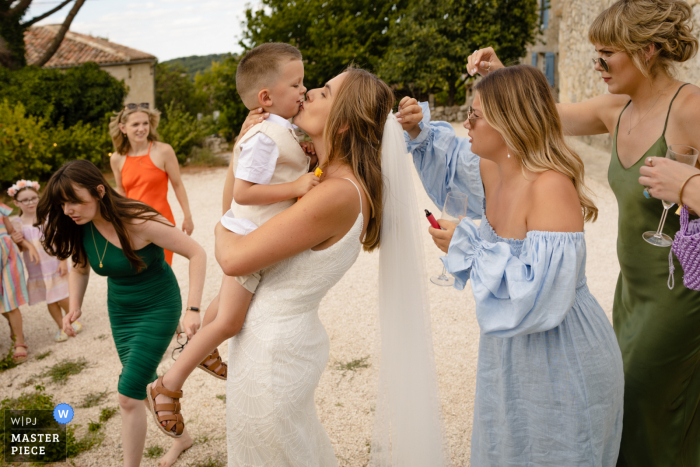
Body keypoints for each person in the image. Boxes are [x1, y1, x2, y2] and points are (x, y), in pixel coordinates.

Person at [469, 1, 700, 464]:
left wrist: (689, 184)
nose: (596, 63)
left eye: (606, 53)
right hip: (630, 292)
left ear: (647, 50)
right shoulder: (615, 111)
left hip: (680, 293)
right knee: (643, 409)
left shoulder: (691, 107)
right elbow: (533, 114)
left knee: (639, 403)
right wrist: (502, 78)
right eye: (594, 52)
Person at [206, 67, 450, 466]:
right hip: (272, 343)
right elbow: (244, 215)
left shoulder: (336, 193)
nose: (309, 94)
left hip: (272, 353)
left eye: (324, 92)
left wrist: (217, 229)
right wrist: (244, 147)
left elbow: (233, 256)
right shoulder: (320, 178)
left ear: (342, 126)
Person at [400, 65, 624, 466]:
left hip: (562, 350)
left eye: (476, 115)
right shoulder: (490, 167)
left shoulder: (550, 186)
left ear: (510, 123)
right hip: (509, 350)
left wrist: (467, 247)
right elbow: (449, 165)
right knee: (509, 444)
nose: (465, 122)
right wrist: (417, 129)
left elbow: (539, 297)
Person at [146, 42, 321, 437]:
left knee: (224, 306)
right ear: (266, 97)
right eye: (296, 84)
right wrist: (297, 184)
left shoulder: (281, 130)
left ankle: (201, 349)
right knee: (229, 319)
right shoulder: (262, 137)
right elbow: (244, 192)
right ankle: (166, 387)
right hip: (248, 241)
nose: (303, 91)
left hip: (257, 238)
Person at [36, 160, 206, 467]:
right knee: (139, 386)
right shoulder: (81, 224)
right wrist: (75, 305)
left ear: (99, 191)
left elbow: (197, 253)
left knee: (127, 395)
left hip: (158, 306)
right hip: (121, 312)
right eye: (63, 204)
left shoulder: (139, 220)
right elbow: (79, 265)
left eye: (74, 201)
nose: (68, 210)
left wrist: (193, 309)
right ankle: (182, 439)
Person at [109, 103, 195, 266]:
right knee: (140, 274)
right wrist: (119, 224)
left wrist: (187, 217)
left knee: (161, 270)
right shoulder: (116, 158)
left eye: (145, 123)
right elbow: (121, 192)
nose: (141, 128)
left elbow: (177, 184)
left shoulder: (163, 151)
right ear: (123, 128)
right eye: (135, 124)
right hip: (133, 226)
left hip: (162, 223)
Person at [8, 180, 79, 342]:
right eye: (25, 200)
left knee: (61, 296)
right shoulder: (16, 224)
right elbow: (18, 249)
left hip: (54, 263)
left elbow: (60, 240)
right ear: (16, 203)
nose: (30, 202)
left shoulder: (47, 217)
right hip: (36, 268)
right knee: (50, 299)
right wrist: (17, 241)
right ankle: (61, 326)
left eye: (33, 198)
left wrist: (62, 260)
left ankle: (73, 320)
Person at [0, 201, 37, 363]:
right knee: (2, 304)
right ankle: (12, 325)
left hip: (7, 257)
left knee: (10, 299)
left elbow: (11, 232)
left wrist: (28, 245)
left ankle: (19, 342)